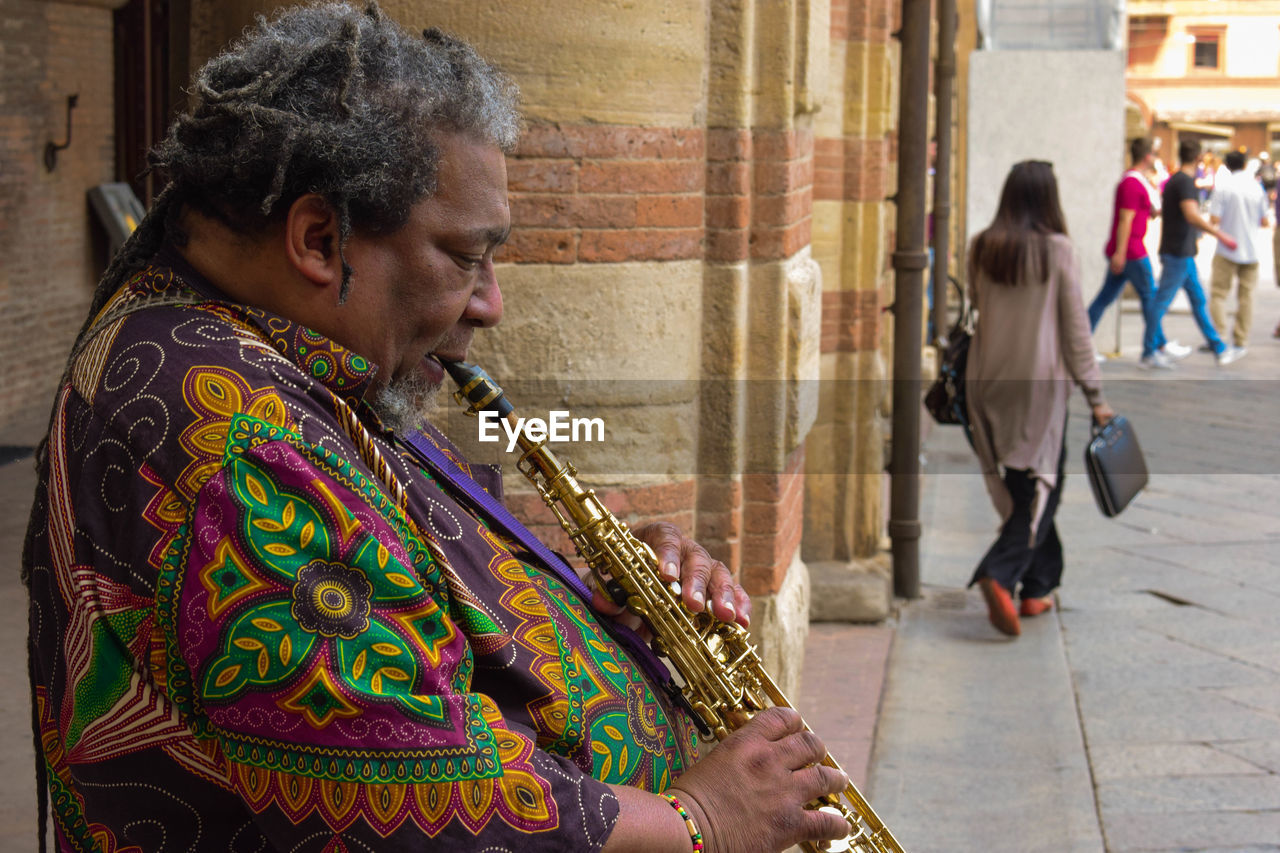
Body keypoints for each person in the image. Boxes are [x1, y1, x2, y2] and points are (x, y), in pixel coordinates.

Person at [20, 5, 849, 852]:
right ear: (318, 238)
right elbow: (426, 809)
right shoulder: (241, 447)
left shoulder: (279, 348)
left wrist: (588, 599)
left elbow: (392, 574)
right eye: (464, 256)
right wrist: (703, 818)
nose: (491, 303)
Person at [964, 161, 1114, 638]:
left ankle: (1038, 587)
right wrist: (1096, 395)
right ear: (1049, 198)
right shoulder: (1057, 250)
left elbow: (976, 304)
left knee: (1024, 484)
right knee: (1042, 485)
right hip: (1041, 387)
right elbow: (1076, 329)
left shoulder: (983, 246)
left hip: (986, 380)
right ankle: (1000, 573)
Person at [1085, 137, 1190, 366]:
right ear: (1147, 157)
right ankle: (1152, 350)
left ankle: (1156, 344)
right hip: (1131, 250)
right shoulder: (1132, 183)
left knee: (1107, 298)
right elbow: (1126, 219)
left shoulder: (1136, 182)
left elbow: (1137, 212)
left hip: (1127, 249)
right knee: (1149, 297)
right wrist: (1121, 253)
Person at [1150, 140, 1245, 368]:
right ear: (1198, 158)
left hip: (1183, 252)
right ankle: (1149, 349)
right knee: (1160, 303)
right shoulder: (1184, 183)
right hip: (1178, 253)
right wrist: (1220, 235)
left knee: (1198, 300)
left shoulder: (1176, 181)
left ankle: (1218, 347)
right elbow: (1192, 215)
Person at [1207, 150, 1267, 355]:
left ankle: (1220, 335)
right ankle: (1241, 339)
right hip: (1251, 249)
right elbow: (1265, 220)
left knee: (1218, 294)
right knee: (1247, 297)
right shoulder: (1256, 188)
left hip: (1227, 248)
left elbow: (1214, 219)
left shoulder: (1224, 187)